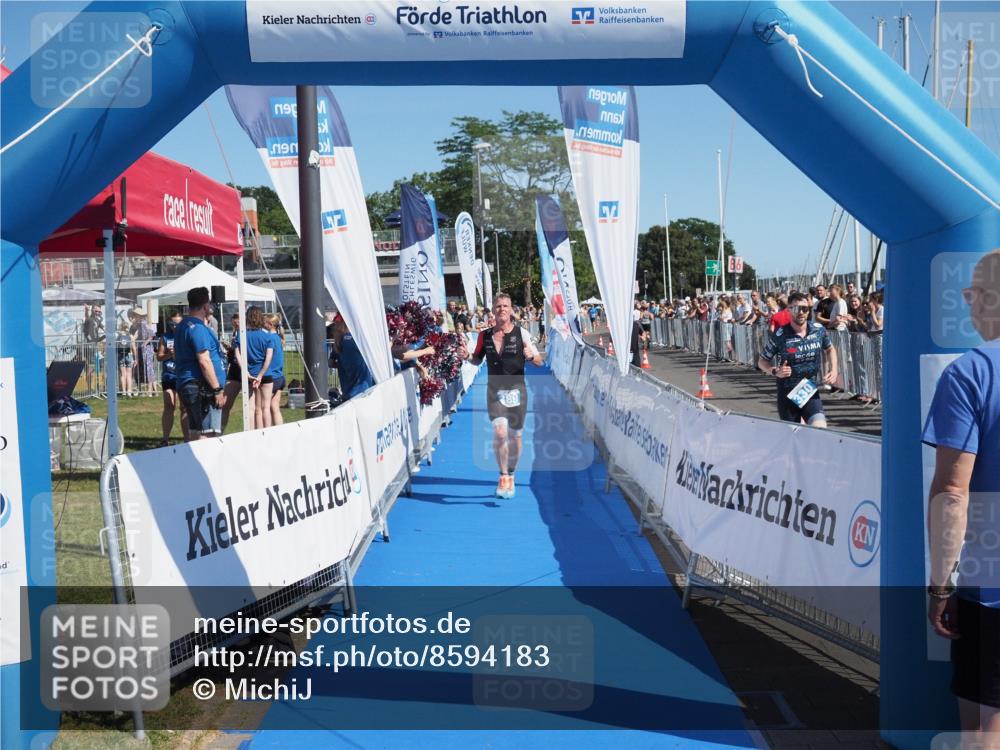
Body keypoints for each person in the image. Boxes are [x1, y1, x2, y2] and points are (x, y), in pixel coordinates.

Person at [923, 249, 1000, 748]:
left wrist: (939, 586)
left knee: (982, 729)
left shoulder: (971, 373)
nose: (969, 305)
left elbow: (953, 490)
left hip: (989, 582)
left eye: (973, 295)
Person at [467, 293, 542, 499]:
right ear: (493, 310)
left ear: (511, 310)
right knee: (500, 434)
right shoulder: (484, 335)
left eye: (505, 306)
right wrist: (467, 357)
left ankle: (512, 471)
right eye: (498, 306)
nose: (501, 309)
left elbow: (539, 362)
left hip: (517, 391)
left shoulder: (522, 333)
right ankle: (503, 476)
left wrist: (531, 356)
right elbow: (476, 360)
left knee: (515, 436)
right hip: (494, 390)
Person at [757, 291, 838, 428]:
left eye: (804, 309)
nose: (800, 312)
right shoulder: (780, 334)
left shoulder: (818, 330)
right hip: (787, 392)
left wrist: (834, 370)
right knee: (794, 437)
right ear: (789, 310)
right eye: (796, 308)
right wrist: (776, 371)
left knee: (820, 428)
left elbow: (830, 349)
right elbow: (762, 361)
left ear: (809, 310)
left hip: (809, 389)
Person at [173, 287, 226, 440]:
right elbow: (204, 361)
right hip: (202, 386)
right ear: (205, 306)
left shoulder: (183, 325)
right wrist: (217, 389)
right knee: (207, 433)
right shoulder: (197, 328)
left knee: (197, 431)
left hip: (191, 383)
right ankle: (206, 463)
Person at [239, 307, 274, 429]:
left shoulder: (242, 336)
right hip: (265, 375)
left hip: (249, 375)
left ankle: (251, 434)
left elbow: (238, 354)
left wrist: (246, 371)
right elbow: (268, 358)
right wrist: (260, 375)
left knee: (251, 408)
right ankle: (267, 435)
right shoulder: (267, 336)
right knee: (266, 407)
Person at [156, 310, 188, 445]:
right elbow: (159, 357)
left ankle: (187, 439)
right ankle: (165, 439)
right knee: (169, 405)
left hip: (184, 374)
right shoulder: (165, 337)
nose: (175, 326)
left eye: (178, 324)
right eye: (172, 324)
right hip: (169, 375)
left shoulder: (187, 335)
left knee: (184, 407)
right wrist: (169, 354)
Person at [329, 315, 374, 401]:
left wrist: (342, 364)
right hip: (362, 390)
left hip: (347, 391)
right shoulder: (356, 339)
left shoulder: (338, 342)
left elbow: (330, 363)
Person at [222, 314, 243, 431]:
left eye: (237, 323)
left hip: (246, 370)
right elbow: (235, 351)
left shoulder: (247, 333)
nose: (235, 326)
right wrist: (229, 349)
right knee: (225, 404)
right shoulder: (235, 334)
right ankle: (220, 432)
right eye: (234, 324)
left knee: (254, 407)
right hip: (234, 370)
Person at [264, 313, 285, 427]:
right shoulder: (278, 337)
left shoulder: (270, 338)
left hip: (273, 377)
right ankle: (280, 431)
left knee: (265, 407)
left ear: (270, 324)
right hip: (280, 377)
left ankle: (266, 433)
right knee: (275, 407)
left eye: (264, 322)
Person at [116, 322, 136, 396]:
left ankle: (123, 391)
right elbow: (133, 348)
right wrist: (135, 358)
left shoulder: (118, 335)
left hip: (121, 356)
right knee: (129, 374)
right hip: (129, 355)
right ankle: (129, 391)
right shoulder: (130, 336)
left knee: (123, 375)